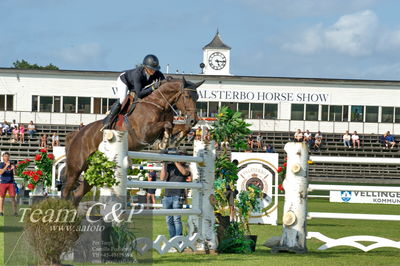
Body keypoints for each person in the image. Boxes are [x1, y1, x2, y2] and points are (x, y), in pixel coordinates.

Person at [102, 54, 165, 129]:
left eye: (155, 69)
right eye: (151, 69)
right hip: (124, 80)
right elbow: (139, 94)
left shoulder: (157, 73)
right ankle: (108, 120)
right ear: (145, 67)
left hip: (135, 86)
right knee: (122, 100)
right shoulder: (137, 74)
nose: (153, 71)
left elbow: (164, 82)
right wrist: (152, 88)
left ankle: (122, 121)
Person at [160, 155, 190, 239]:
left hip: (178, 195)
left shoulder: (186, 166)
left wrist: (175, 161)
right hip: (167, 196)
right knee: (168, 220)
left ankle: (178, 240)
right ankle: (172, 240)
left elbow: (184, 172)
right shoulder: (170, 166)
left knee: (176, 219)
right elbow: (162, 178)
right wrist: (164, 164)